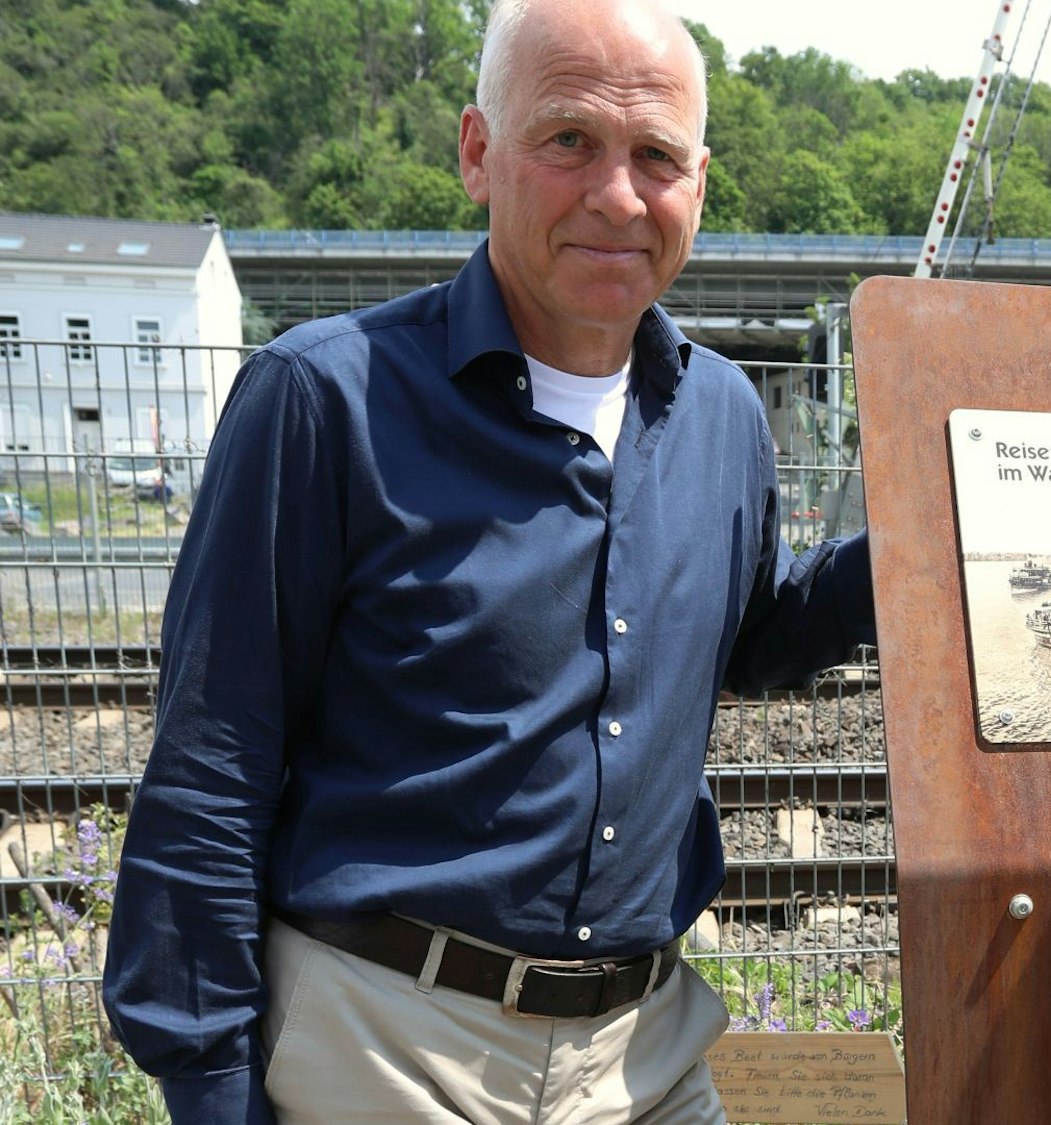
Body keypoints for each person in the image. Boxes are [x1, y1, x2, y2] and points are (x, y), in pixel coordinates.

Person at [101, 2, 875, 1121]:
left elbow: (750, 639)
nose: (617, 195)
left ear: (698, 185)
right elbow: (211, 767)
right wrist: (213, 1081)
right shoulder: (325, 400)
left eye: (656, 156)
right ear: (476, 152)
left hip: (641, 1054)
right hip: (388, 1049)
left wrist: (927, 530)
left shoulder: (718, 413)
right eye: (569, 140)